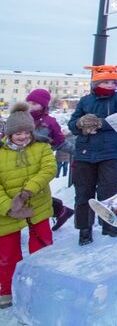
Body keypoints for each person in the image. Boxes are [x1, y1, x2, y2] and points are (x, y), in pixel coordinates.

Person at [0, 103, 57, 309]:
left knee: (42, 248)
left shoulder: (41, 146)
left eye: (26, 132)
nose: (23, 136)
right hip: (7, 213)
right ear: (9, 134)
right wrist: (9, 206)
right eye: (18, 133)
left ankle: (41, 285)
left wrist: (27, 192)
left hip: (38, 205)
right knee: (7, 255)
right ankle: (6, 289)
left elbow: (49, 169)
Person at [68, 64, 117, 245]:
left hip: (109, 152)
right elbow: (72, 124)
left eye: (114, 82)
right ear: (97, 83)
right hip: (85, 153)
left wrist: (100, 123)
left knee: (109, 191)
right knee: (83, 192)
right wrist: (80, 123)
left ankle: (108, 225)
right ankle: (84, 230)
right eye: (108, 82)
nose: (112, 85)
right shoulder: (85, 101)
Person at [26, 88, 74, 231]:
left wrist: (78, 152)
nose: (30, 106)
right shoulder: (20, 118)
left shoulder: (50, 122)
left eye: (34, 103)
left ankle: (58, 211)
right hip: (19, 161)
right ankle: (61, 210)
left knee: (33, 193)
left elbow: (60, 142)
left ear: (43, 105)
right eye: (29, 102)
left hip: (41, 163)